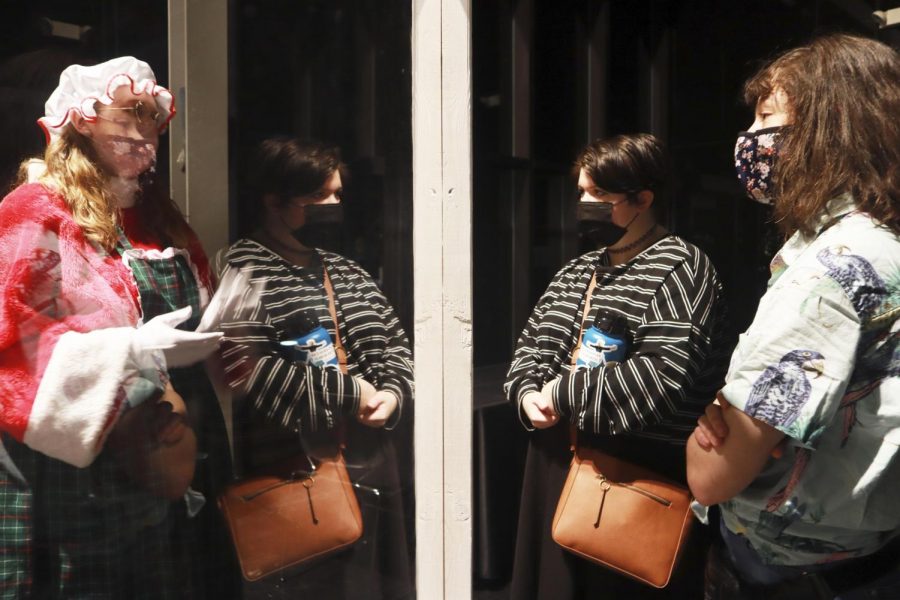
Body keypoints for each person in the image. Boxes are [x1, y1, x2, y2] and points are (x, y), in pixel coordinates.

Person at [0, 56, 238, 598]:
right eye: (130, 114)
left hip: (172, 442)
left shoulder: (160, 216)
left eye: (152, 117)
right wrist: (128, 350)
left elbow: (206, 306)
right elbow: (10, 330)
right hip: (76, 456)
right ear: (83, 120)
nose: (145, 131)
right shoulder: (37, 208)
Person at [686, 34, 900, 599]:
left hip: (784, 572)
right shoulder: (886, 244)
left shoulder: (830, 270)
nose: (752, 140)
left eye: (767, 118)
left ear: (831, 130)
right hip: (872, 554)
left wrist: (716, 421)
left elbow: (711, 476)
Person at [503, 133, 729, 599]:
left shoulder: (682, 266)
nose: (585, 205)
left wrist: (561, 393)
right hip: (559, 457)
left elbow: (663, 376)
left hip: (636, 472)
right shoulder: (576, 271)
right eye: (582, 192)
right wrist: (527, 395)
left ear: (642, 198)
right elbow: (530, 349)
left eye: (600, 195)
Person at [217, 137, 414, 599]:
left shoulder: (347, 271)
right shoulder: (241, 266)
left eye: (337, 195)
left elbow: (396, 346)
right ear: (274, 200)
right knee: (307, 582)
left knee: (372, 582)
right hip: (289, 459)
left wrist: (392, 395)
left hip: (369, 453)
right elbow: (242, 367)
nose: (332, 207)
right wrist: (352, 393)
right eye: (317, 198)